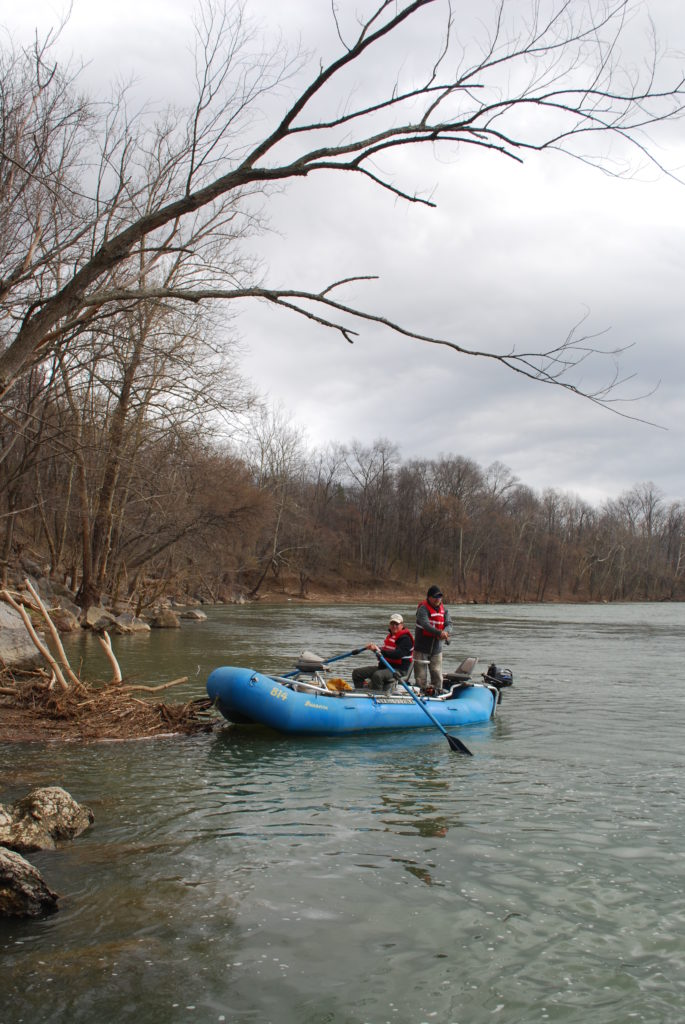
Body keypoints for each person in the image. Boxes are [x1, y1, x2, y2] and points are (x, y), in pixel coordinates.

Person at [352, 613, 414, 692]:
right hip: (384, 667)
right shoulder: (390, 637)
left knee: (378, 675)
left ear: (402, 625)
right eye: (392, 624)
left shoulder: (406, 639)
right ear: (389, 625)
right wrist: (375, 649)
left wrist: (380, 651)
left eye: (397, 624)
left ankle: (377, 696)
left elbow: (398, 654)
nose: (394, 626)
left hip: (398, 670)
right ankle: (360, 693)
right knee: (357, 673)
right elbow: (383, 653)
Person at [414, 585, 451, 692]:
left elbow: (449, 624)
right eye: (435, 597)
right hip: (421, 648)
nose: (438, 599)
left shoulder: (445, 610)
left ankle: (437, 692)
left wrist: (446, 632)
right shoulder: (422, 609)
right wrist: (439, 632)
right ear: (429, 597)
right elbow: (426, 625)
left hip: (437, 649)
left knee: (437, 673)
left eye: (440, 597)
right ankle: (421, 692)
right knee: (421, 676)